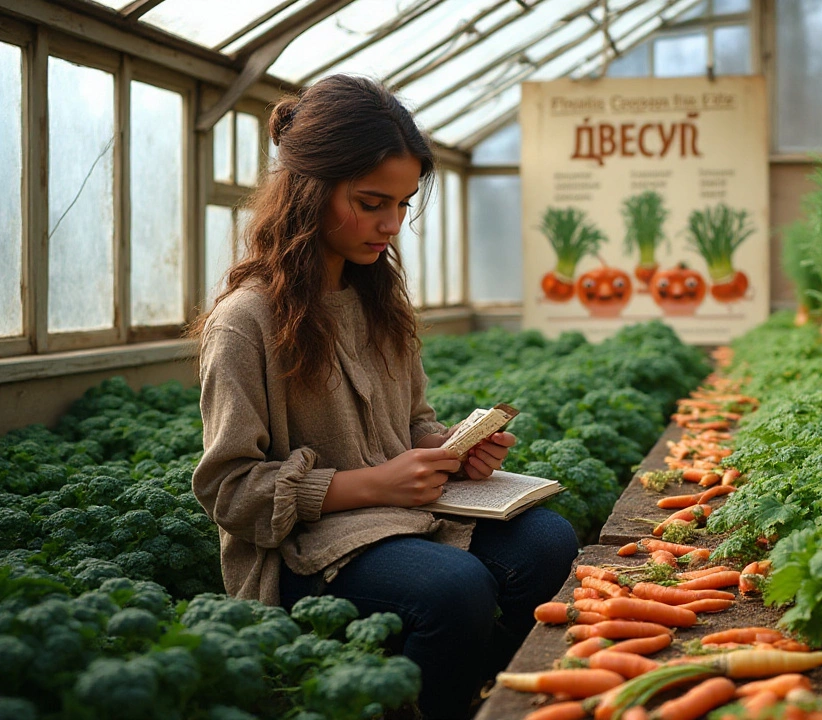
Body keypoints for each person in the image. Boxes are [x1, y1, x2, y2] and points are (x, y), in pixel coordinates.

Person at [190, 75, 579, 719]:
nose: (391, 225)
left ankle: (484, 693)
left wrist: (449, 451)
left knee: (548, 542)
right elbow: (230, 490)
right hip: (306, 547)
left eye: (401, 205)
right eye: (372, 203)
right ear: (308, 191)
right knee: (456, 590)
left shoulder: (378, 301)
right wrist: (374, 484)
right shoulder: (247, 320)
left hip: (408, 516)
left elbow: (416, 423)